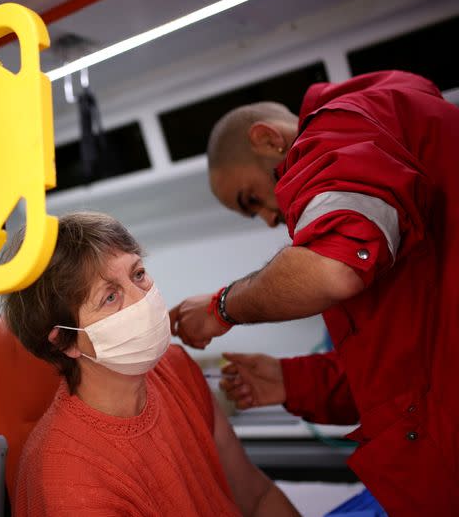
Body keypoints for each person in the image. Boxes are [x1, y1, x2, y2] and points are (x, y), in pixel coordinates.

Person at [169, 70, 459, 515]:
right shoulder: (386, 143)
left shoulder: (341, 129)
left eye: (250, 199)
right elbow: (411, 361)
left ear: (267, 139)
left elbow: (333, 270)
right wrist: (292, 382)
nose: (268, 220)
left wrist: (221, 307)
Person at [0, 212, 299, 516]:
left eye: (138, 274)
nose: (140, 298)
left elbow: (257, 497)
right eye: (111, 296)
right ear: (66, 341)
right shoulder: (68, 479)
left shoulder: (176, 366)